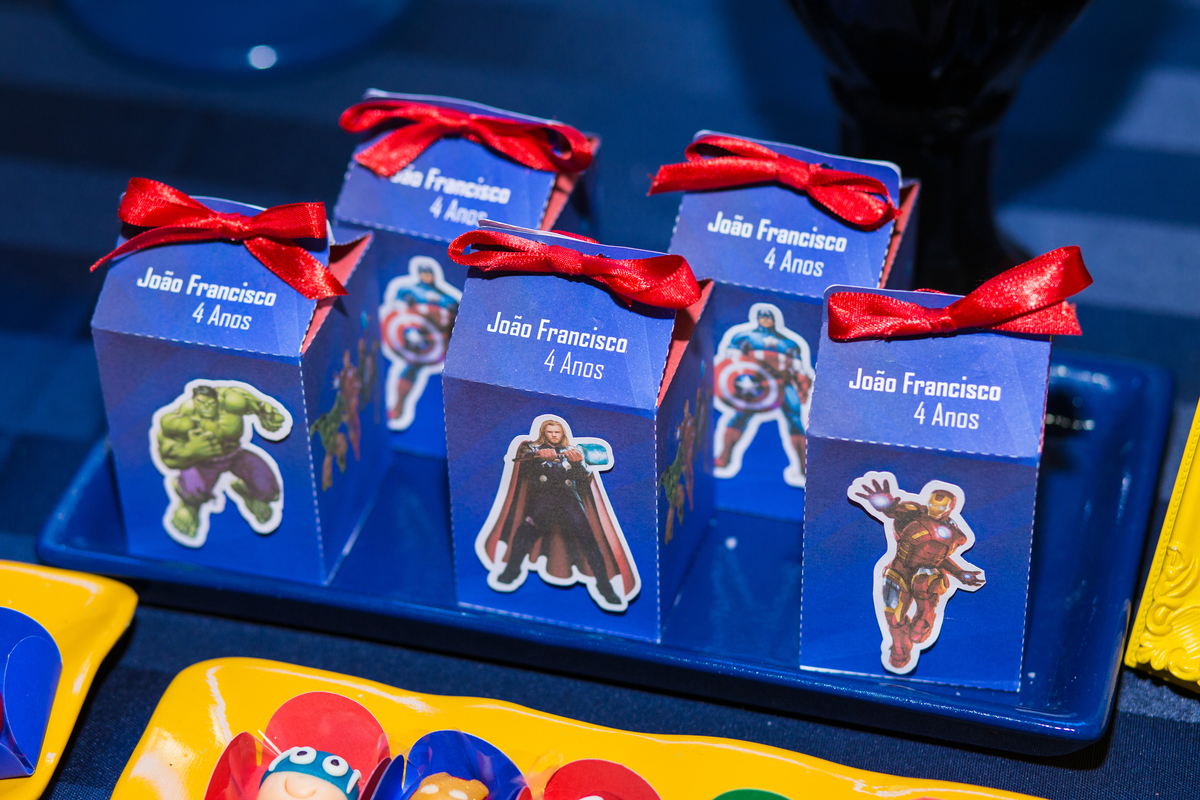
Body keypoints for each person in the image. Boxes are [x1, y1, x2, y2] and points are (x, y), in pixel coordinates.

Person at [477, 417, 638, 612]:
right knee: (525, 531)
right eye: (550, 432)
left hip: (569, 501)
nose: (553, 435)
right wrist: (540, 459)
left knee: (589, 540)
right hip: (543, 500)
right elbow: (524, 472)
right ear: (544, 433)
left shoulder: (572, 450)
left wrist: (577, 463)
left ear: (562, 434)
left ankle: (605, 587)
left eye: (557, 432)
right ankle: (511, 571)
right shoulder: (532, 449)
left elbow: (583, 481)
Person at [852, 475, 986, 672]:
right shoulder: (913, 512)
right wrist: (886, 503)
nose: (935, 510)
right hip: (899, 570)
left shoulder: (954, 534)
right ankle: (900, 650)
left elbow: (939, 558)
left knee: (925, 582)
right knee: (893, 614)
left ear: (949, 509)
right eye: (932, 505)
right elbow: (892, 511)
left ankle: (924, 617)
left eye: (941, 507)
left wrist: (959, 573)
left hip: (927, 573)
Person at [155, 382, 290, 544]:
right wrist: (190, 450)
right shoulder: (182, 416)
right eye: (201, 403)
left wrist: (267, 415)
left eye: (210, 403)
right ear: (194, 401)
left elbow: (260, 407)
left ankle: (247, 492)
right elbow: (166, 455)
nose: (206, 407)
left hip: (235, 455)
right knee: (193, 492)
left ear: (217, 400)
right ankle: (187, 502)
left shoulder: (232, 402)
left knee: (267, 489)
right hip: (204, 463)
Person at [713, 304, 813, 486]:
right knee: (739, 416)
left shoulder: (789, 343)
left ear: (774, 319)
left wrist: (802, 384)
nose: (766, 319)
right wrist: (734, 385)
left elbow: (798, 368)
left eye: (769, 317)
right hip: (756, 385)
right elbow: (731, 363)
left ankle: (803, 468)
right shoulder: (745, 337)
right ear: (758, 318)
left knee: (795, 421)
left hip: (783, 384)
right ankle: (724, 458)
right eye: (763, 316)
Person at [380, 257, 460, 430]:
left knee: (413, 370)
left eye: (428, 273)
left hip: (433, 344)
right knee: (408, 369)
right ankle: (397, 408)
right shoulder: (409, 290)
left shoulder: (447, 299)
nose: (426, 276)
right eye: (423, 272)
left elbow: (453, 322)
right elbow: (398, 311)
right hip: (411, 337)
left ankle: (399, 408)